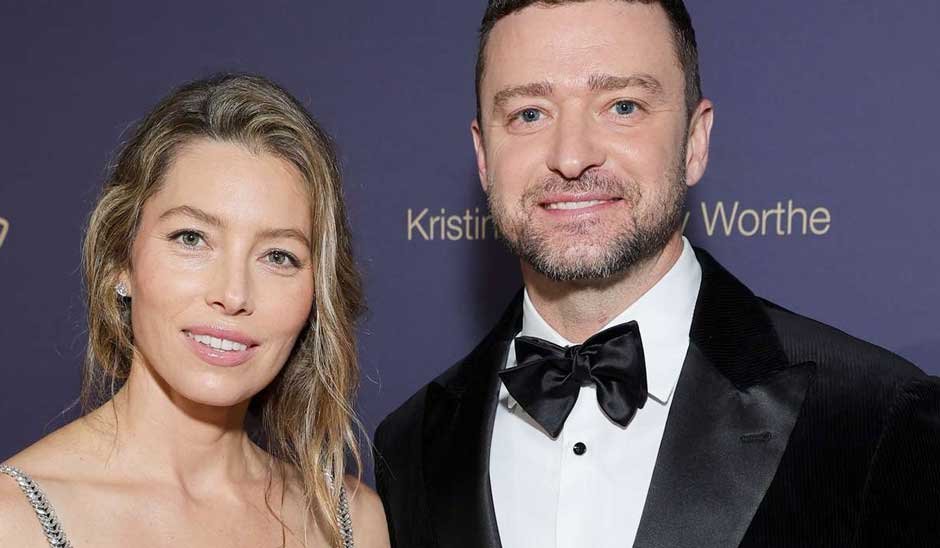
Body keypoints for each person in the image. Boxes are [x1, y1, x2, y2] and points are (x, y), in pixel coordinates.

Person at [373, 1, 940, 547]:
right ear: (483, 156)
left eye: (622, 106)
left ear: (695, 141)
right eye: (529, 114)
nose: (571, 157)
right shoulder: (410, 445)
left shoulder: (878, 417)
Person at [0, 73, 390, 548]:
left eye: (278, 256)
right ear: (120, 261)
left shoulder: (350, 522)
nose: (233, 293)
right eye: (192, 238)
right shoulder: (14, 521)